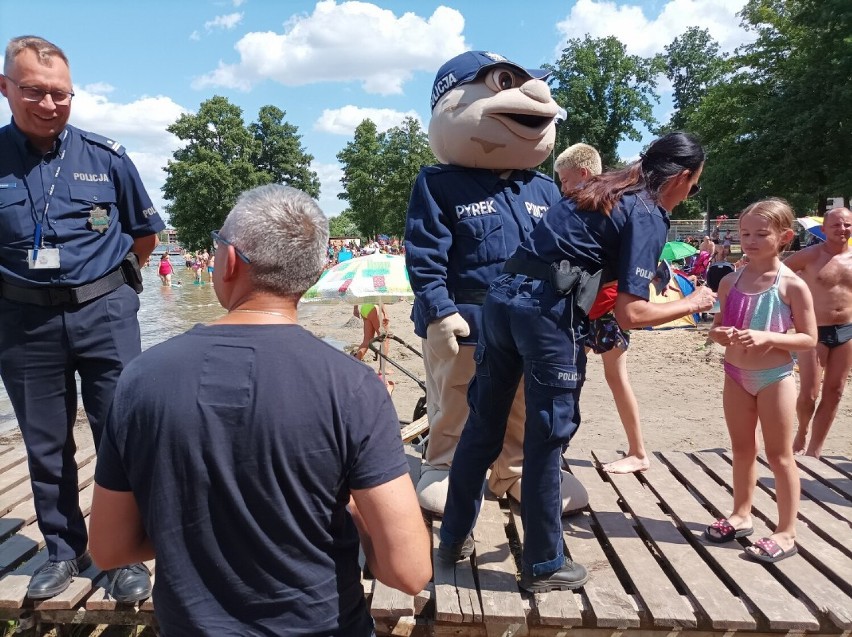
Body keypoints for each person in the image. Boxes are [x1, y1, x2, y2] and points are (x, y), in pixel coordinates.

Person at [89, 184, 431, 635]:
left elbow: (110, 549)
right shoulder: (353, 387)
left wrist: (191, 534)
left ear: (229, 260)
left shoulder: (141, 378)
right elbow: (407, 572)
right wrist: (347, 513)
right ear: (311, 273)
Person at [438, 132, 715, 592]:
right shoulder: (646, 212)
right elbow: (633, 312)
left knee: (483, 424)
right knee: (547, 437)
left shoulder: (597, 188)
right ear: (683, 177)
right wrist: (695, 302)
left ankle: (451, 538)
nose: (690, 195)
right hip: (546, 315)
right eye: (694, 186)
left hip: (501, 300)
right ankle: (545, 564)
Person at [0, 35, 162, 600]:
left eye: (60, 94)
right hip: (22, 324)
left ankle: (124, 554)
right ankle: (65, 551)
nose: (48, 104)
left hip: (104, 314)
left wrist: (114, 294)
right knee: (44, 444)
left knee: (121, 434)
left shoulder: (108, 157)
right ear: (6, 89)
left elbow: (144, 235)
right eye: (33, 91)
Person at [405, 50, 588, 516]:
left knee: (526, 401)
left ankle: (518, 471)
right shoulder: (439, 183)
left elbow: (568, 255)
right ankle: (443, 466)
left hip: (533, 321)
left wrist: (579, 310)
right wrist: (439, 311)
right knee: (456, 397)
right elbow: (425, 253)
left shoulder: (544, 189)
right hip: (464, 317)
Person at [704, 198, 816, 562]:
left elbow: (808, 338)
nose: (750, 240)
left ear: (783, 237)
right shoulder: (729, 281)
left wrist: (770, 338)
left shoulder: (792, 285)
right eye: (745, 233)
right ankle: (741, 514)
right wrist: (719, 334)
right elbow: (719, 325)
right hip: (735, 375)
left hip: (774, 377)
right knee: (741, 450)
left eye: (760, 234)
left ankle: (786, 532)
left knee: (780, 456)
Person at [556, 143, 649, 474]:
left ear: (583, 175)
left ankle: (638, 451)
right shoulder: (591, 203)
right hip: (587, 304)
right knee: (576, 374)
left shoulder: (608, 204)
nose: (563, 188)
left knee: (615, 377)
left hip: (607, 305)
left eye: (565, 181)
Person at [784, 207, 852, 457]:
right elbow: (777, 276)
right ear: (824, 229)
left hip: (847, 331)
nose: (842, 229)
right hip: (814, 330)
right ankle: (802, 430)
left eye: (847, 225)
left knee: (835, 392)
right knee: (810, 393)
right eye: (836, 225)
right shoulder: (809, 256)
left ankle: (815, 448)